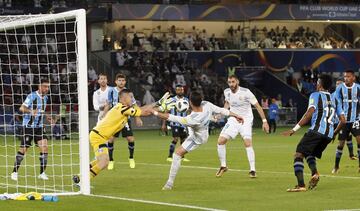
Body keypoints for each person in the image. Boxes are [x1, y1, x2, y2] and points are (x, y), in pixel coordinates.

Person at [152, 91, 244, 190]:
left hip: (198, 138)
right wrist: (236, 115)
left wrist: (155, 112)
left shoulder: (193, 118)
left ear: (191, 102)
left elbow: (172, 117)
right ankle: (208, 120)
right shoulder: (207, 104)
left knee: (177, 154)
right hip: (200, 129)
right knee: (190, 128)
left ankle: (169, 184)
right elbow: (223, 110)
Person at [73, 90, 170, 182]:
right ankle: (83, 181)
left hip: (100, 136)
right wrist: (160, 105)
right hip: (98, 137)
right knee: (104, 162)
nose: (132, 99)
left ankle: (79, 177)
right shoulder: (122, 108)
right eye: (130, 97)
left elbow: (143, 110)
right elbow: (144, 112)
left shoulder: (123, 108)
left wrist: (159, 105)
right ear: (123, 98)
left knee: (101, 161)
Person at [282, 74, 345, 192]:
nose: (316, 84)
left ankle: (301, 185)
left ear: (320, 84)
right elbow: (343, 120)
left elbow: (308, 114)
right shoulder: (335, 99)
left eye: (317, 82)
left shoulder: (315, 95)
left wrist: (294, 129)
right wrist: (334, 133)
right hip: (328, 135)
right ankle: (314, 173)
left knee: (298, 154)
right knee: (309, 152)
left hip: (316, 131)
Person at [216, 75, 269, 179]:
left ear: (237, 82)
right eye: (229, 82)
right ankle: (223, 166)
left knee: (247, 142)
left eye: (233, 82)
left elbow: (257, 106)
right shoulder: (226, 92)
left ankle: (252, 170)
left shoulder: (246, 92)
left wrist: (264, 121)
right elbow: (227, 104)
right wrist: (221, 113)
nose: (231, 84)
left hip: (246, 119)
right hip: (233, 119)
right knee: (220, 141)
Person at [11, 79, 56, 181]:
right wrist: (31, 111)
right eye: (45, 86)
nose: (47, 88)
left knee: (44, 147)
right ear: (39, 86)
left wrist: (48, 117)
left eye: (48, 87)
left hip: (39, 127)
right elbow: (22, 108)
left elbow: (41, 111)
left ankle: (42, 173)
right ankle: (14, 171)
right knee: (23, 149)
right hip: (28, 127)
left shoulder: (46, 98)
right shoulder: (32, 96)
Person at [104, 73, 143, 169]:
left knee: (130, 139)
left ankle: (131, 158)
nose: (121, 82)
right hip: (114, 120)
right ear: (116, 81)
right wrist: (104, 116)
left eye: (123, 80)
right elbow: (108, 104)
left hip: (125, 119)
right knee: (111, 139)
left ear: (125, 82)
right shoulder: (111, 91)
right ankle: (111, 160)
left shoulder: (129, 92)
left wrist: (138, 118)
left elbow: (134, 105)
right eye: (119, 80)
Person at [332, 71, 360, 174]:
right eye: (345, 77)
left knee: (359, 140)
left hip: (356, 119)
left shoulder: (358, 88)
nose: (346, 78)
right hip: (344, 121)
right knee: (341, 144)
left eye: (348, 76)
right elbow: (337, 102)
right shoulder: (340, 88)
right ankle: (336, 166)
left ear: (353, 77)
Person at [162, 85, 190, 162]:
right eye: (178, 90)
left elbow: (188, 112)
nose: (180, 91)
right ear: (176, 91)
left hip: (183, 123)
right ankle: (170, 156)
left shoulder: (186, 100)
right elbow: (166, 112)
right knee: (175, 139)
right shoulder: (171, 100)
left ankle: (182, 156)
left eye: (181, 90)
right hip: (175, 123)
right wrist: (164, 124)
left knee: (183, 140)